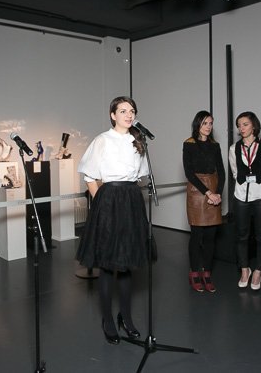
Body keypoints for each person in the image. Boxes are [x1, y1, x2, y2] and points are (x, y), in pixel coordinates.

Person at [76, 96, 150, 345]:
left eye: (132, 111)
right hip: (109, 199)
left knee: (127, 264)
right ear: (112, 115)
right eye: (123, 111)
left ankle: (125, 317)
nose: (129, 115)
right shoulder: (102, 140)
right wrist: (102, 203)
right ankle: (107, 319)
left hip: (131, 199)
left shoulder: (138, 141)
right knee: (108, 265)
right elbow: (89, 176)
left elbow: (140, 176)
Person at [228, 111, 261, 291]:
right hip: (241, 195)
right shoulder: (234, 148)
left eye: (245, 124)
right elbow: (234, 172)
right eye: (239, 125)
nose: (241, 128)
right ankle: (244, 269)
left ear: (254, 125)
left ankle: (258, 272)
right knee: (241, 236)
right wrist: (243, 183)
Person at [182, 111, 225, 293]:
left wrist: (218, 193)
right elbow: (189, 173)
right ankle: (194, 273)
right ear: (197, 124)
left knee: (210, 237)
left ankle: (206, 274)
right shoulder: (189, 144)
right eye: (205, 123)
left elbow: (221, 172)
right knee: (196, 235)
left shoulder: (215, 146)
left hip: (214, 191)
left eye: (210, 123)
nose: (208, 126)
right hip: (197, 191)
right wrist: (208, 193)